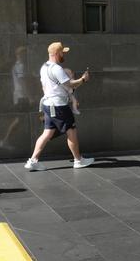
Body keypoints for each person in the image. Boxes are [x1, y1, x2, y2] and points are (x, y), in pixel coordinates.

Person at [24, 41, 94, 171]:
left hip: (48, 104)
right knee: (71, 131)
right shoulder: (57, 69)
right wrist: (83, 79)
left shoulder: (44, 67)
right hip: (58, 106)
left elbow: (46, 86)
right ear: (57, 53)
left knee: (47, 133)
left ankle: (33, 161)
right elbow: (70, 85)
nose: (63, 54)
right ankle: (78, 160)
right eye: (62, 52)